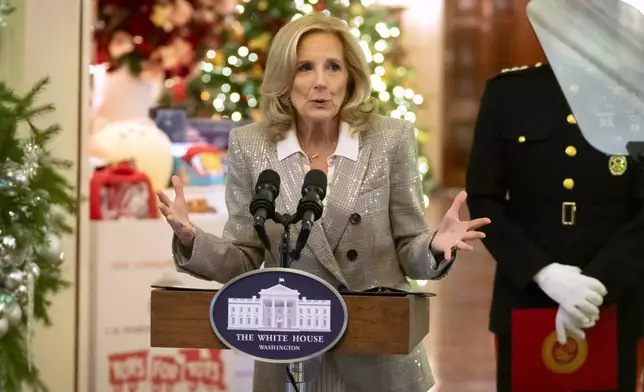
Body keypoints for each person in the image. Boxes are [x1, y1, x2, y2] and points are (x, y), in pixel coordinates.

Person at [157, 12, 490, 392]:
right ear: (285, 78)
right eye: (304, 68)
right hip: (289, 351)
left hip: (377, 352)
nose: (320, 82)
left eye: (333, 67)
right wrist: (191, 239)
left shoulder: (390, 139)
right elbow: (244, 258)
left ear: (350, 77)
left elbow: (407, 246)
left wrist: (432, 247)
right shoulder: (251, 145)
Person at [466, 62, 644, 392]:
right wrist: (545, 273)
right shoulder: (510, 92)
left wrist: (596, 285)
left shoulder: (637, 91)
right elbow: (484, 197)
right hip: (525, 293)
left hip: (617, 297)